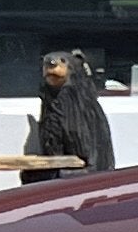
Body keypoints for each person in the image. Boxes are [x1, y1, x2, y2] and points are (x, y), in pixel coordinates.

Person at [23, 48, 116, 177]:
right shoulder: (49, 102)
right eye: (46, 63)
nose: (51, 64)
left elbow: (90, 148)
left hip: (87, 171)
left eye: (61, 62)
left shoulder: (84, 104)